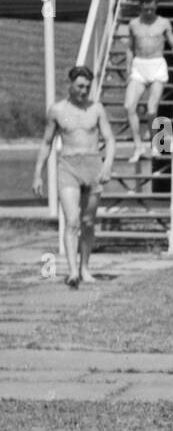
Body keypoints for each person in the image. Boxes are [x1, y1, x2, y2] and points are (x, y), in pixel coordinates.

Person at [33, 65, 116, 288]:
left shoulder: (96, 109)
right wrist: (37, 175)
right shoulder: (57, 110)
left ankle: (85, 268)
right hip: (68, 166)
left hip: (93, 167)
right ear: (69, 84)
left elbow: (109, 139)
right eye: (80, 86)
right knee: (71, 221)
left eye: (87, 87)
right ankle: (72, 272)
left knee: (88, 222)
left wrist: (107, 165)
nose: (83, 91)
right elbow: (47, 143)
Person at [124, 0, 173, 162]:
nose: (149, 12)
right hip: (139, 66)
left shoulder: (163, 23)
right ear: (141, 7)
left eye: (152, 8)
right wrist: (128, 68)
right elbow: (130, 48)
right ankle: (138, 146)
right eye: (146, 9)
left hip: (157, 65)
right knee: (129, 106)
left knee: (152, 108)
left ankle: (155, 145)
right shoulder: (133, 24)